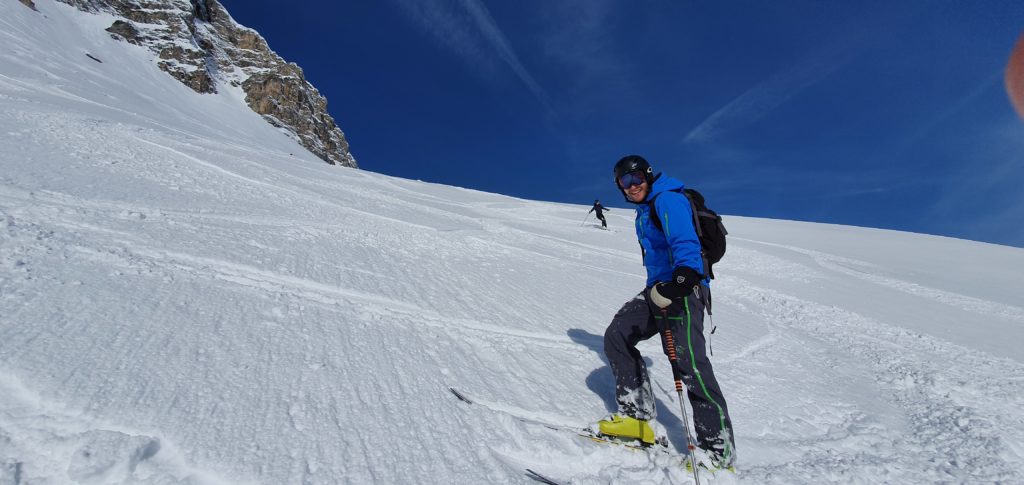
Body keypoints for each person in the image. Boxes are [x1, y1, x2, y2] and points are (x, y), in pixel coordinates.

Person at [597, 155, 736, 469]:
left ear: (647, 176)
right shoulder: (645, 211)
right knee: (617, 335)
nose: (631, 187)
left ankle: (718, 452)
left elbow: (685, 242)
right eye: (624, 182)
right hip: (656, 290)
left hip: (683, 289)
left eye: (636, 179)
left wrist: (681, 282)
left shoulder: (667, 200)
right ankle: (637, 418)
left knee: (691, 365)